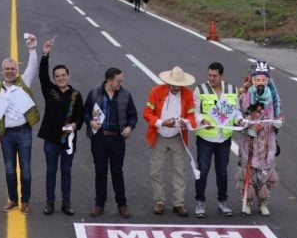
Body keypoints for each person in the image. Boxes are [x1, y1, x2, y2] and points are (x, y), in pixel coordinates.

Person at [0, 35, 40, 214]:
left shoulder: (23, 82)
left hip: (24, 131)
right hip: (7, 134)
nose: (10, 71)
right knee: (9, 169)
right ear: (2, 71)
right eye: (7, 69)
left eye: (13, 69)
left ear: (17, 71)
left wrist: (32, 49)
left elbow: (33, 67)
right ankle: (13, 199)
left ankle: (25, 201)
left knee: (25, 168)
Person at [83, 67, 138, 218]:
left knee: (117, 172)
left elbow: (133, 116)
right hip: (99, 138)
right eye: (118, 81)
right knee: (100, 172)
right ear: (109, 80)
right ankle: (99, 204)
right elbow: (85, 111)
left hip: (117, 139)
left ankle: (122, 205)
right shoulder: (95, 92)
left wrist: (129, 127)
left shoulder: (125, 95)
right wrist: (90, 122)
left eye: (121, 81)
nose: (120, 83)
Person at [38, 38, 84, 216]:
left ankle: (66, 203)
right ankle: (50, 202)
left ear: (68, 76)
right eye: (57, 76)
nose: (60, 78)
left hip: (68, 141)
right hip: (50, 139)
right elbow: (42, 75)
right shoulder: (50, 91)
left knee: (66, 171)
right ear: (54, 79)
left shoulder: (76, 95)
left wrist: (74, 125)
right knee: (51, 170)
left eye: (63, 75)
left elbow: (81, 116)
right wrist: (45, 54)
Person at [144, 66, 197, 217]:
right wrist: (161, 122)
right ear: (168, 82)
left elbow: (192, 117)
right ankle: (159, 201)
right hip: (159, 135)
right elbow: (147, 113)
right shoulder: (156, 92)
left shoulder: (188, 95)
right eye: (173, 85)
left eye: (178, 86)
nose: (175, 88)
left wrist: (185, 122)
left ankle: (178, 203)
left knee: (179, 171)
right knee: (156, 170)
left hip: (177, 136)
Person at [193, 62, 241, 218]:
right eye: (209, 75)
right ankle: (200, 202)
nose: (211, 78)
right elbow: (195, 112)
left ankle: (222, 202)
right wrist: (202, 121)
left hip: (224, 138)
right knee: (203, 170)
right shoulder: (200, 90)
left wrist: (241, 121)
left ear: (221, 75)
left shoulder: (232, 90)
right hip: (205, 138)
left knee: (222, 171)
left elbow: (236, 112)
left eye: (214, 76)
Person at [237, 60, 283, 216]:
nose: (260, 82)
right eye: (257, 80)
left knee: (265, 173)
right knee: (248, 173)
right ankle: (247, 202)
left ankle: (264, 202)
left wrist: (278, 123)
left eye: (263, 79)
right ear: (252, 79)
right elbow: (239, 116)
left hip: (267, 141)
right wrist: (248, 126)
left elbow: (278, 115)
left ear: (268, 80)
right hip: (249, 141)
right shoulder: (245, 96)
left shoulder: (273, 98)